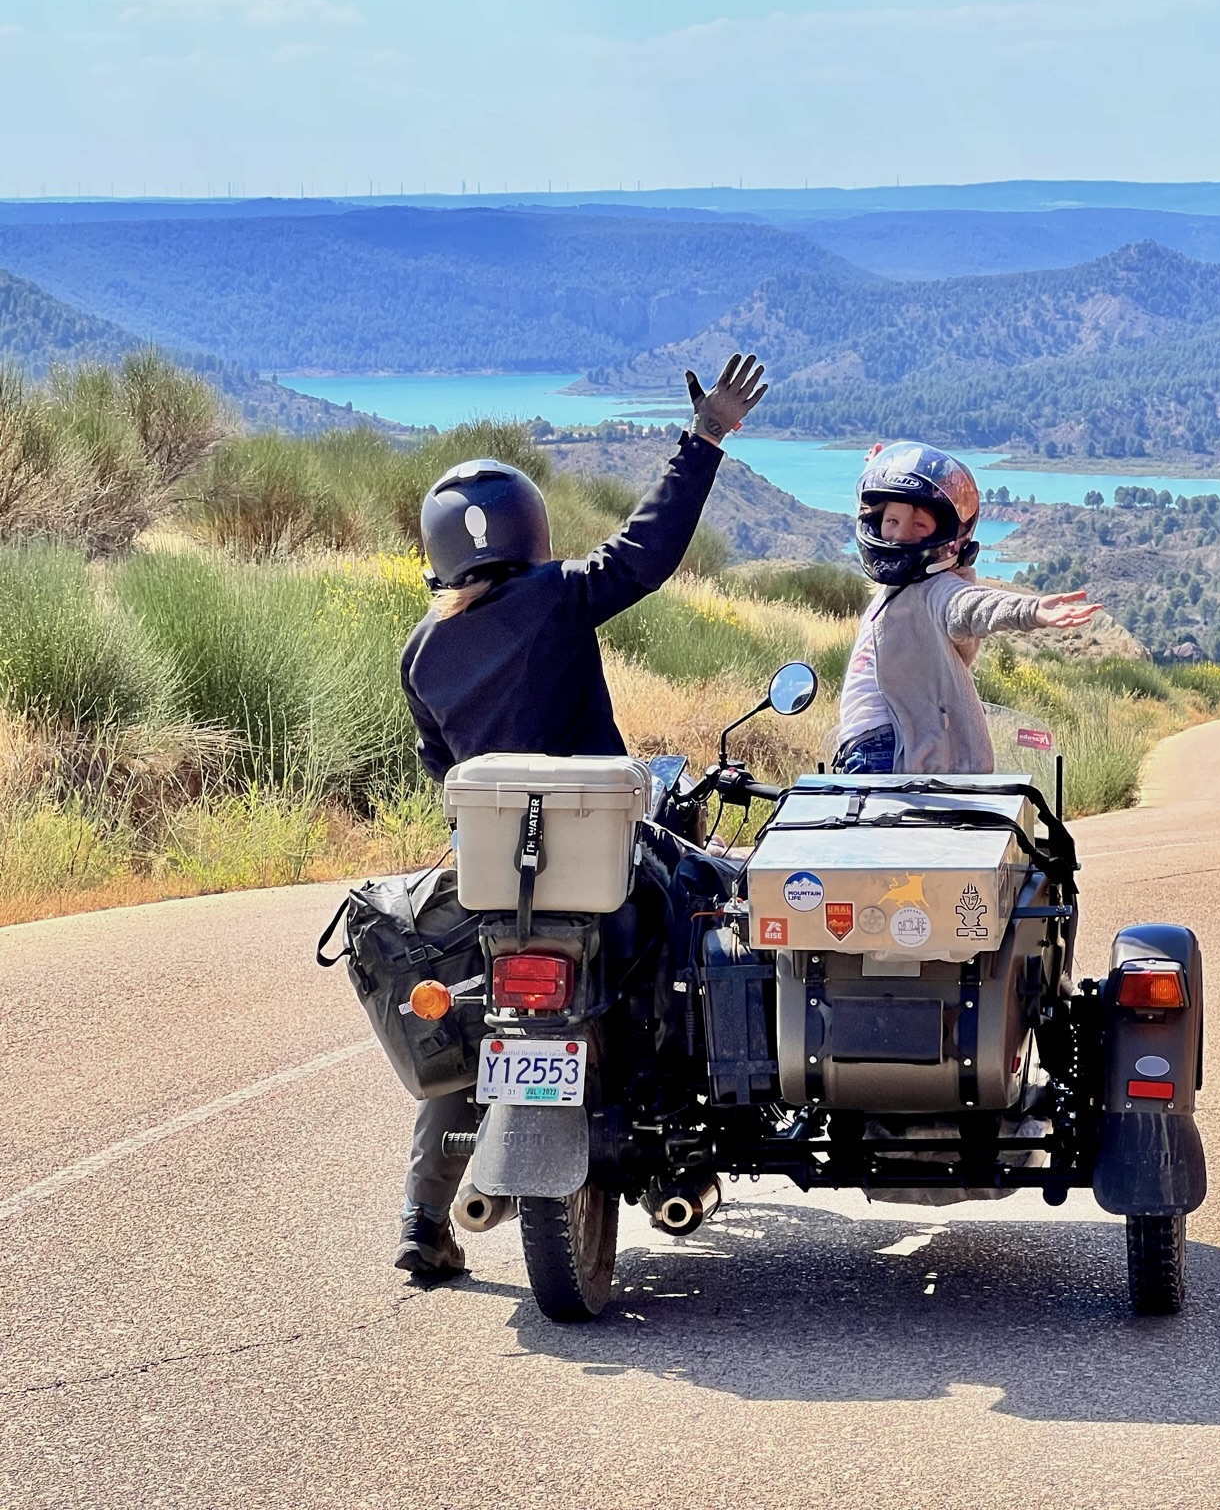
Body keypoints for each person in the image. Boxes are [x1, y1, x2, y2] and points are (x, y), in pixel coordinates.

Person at [391, 352, 767, 1280]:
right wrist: (704, 438)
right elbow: (646, 551)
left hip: (490, 879)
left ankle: (420, 1220)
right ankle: (716, 1118)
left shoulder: (420, 653)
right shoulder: (555, 600)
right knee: (716, 916)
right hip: (598, 859)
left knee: (481, 1023)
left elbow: (443, 773)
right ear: (530, 526)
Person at [833, 441, 1100, 775]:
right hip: (861, 746)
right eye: (891, 521)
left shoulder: (935, 590)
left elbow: (973, 606)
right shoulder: (899, 587)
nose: (900, 535)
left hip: (887, 748)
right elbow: (874, 504)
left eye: (919, 526)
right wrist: (876, 468)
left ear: (944, 537)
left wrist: (1030, 611)